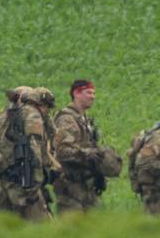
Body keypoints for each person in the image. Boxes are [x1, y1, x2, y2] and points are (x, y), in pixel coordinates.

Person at [0, 87, 61, 221]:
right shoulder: (31, 115)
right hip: (24, 184)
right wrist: (36, 182)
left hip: (3, 184)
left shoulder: (4, 117)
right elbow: (35, 150)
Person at [50, 79, 126, 212]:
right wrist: (92, 155)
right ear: (76, 94)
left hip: (88, 185)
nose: (93, 96)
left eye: (94, 93)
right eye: (88, 92)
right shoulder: (67, 119)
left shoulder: (84, 119)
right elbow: (63, 150)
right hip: (71, 186)